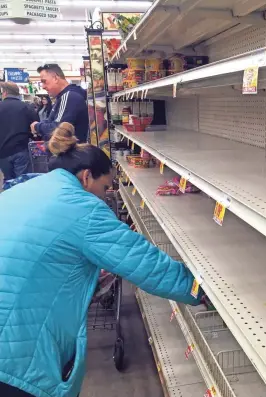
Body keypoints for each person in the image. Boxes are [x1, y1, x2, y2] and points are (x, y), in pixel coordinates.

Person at [0, 122, 202, 397]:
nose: (106, 195)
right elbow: (143, 263)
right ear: (86, 177)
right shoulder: (82, 208)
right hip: (14, 355)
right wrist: (199, 290)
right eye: (105, 186)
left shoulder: (26, 190)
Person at [31, 64, 89, 143]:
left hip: (71, 152)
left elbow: (58, 129)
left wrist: (36, 126)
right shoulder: (63, 97)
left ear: (55, 78)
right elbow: (51, 121)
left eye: (44, 81)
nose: (43, 86)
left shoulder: (69, 97)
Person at [0, 82, 38, 180]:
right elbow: (36, 128)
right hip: (21, 149)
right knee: (22, 180)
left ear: (4, 92)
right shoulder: (26, 107)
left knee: (8, 179)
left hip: (3, 151)